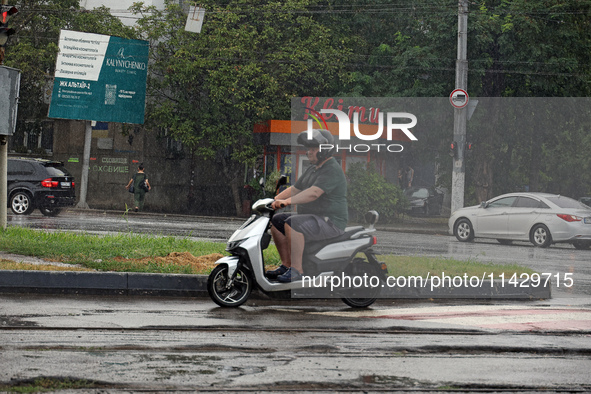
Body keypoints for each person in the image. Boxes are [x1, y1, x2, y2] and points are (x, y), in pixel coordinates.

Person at [266, 129, 348, 282]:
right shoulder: (313, 168)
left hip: (330, 221)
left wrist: (288, 202)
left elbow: (314, 193)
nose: (308, 152)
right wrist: (273, 201)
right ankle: (287, 265)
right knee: (277, 221)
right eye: (308, 148)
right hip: (315, 218)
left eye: (313, 148)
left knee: (293, 223)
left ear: (325, 150)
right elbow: (296, 188)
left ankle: (297, 270)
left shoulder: (332, 169)